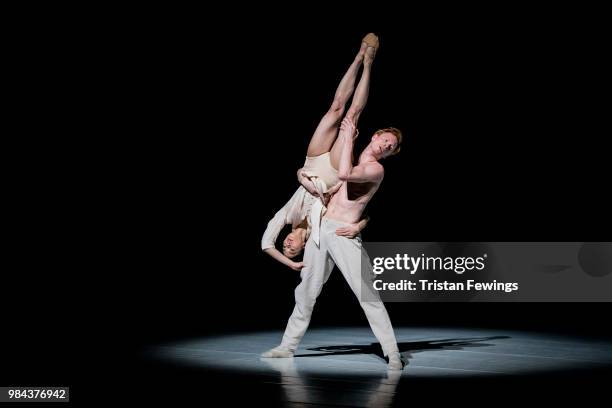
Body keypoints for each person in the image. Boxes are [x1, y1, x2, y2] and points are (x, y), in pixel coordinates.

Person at [262, 116, 405, 370]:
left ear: (389, 154)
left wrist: (348, 136)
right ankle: (287, 347)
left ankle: (393, 353)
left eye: (391, 147)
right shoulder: (359, 161)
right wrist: (303, 177)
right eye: (385, 139)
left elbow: (345, 174)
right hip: (320, 229)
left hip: (342, 234)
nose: (386, 145)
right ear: (375, 136)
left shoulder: (376, 169)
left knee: (366, 293)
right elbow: (327, 189)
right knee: (306, 290)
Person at [261, 33, 380, 271]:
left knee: (335, 108)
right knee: (351, 117)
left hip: (313, 164)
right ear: (302, 248)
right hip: (335, 171)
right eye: (291, 250)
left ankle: (358, 57)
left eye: (284, 246)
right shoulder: (321, 228)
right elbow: (357, 214)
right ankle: (368, 64)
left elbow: (265, 244)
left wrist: (289, 263)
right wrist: (361, 226)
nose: (287, 245)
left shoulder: (286, 217)